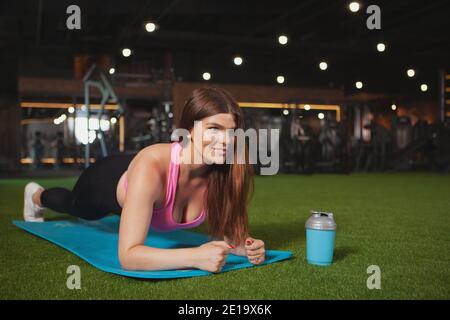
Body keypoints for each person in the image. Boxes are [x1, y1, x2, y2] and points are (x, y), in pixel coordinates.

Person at [22, 87, 265, 273]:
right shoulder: (151, 167)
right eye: (214, 128)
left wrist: (245, 246)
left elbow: (229, 234)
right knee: (76, 207)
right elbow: (129, 257)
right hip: (106, 179)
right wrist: (195, 257)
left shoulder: (226, 172)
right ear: (188, 129)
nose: (225, 140)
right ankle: (37, 195)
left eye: (231, 132)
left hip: (141, 173)